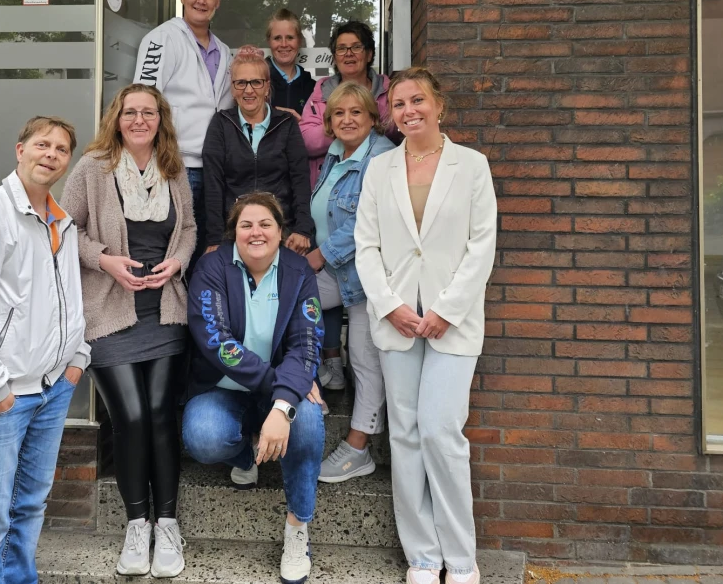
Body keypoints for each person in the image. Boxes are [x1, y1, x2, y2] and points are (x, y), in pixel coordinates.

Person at [354, 67, 497, 584]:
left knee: (440, 431)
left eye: (417, 100)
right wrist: (389, 305)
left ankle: (460, 559)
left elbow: (482, 246)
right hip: (397, 322)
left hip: (451, 324)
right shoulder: (379, 169)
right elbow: (366, 246)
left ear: (439, 105)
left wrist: (446, 309)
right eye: (398, 104)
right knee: (406, 435)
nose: (408, 111)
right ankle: (422, 556)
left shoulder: (472, 166)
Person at [0, 115, 90, 584]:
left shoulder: (62, 221)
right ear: (20, 150)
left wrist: (77, 356)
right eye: (43, 144)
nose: (51, 155)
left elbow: (68, 295)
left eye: (61, 149)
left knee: (28, 509)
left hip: (50, 391)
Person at [60, 84, 196, 578]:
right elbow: (64, 228)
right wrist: (105, 260)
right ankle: (137, 524)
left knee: (160, 414)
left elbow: (188, 229)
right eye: (130, 112)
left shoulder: (173, 168)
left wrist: (177, 263)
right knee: (132, 416)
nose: (139, 120)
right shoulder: (92, 168)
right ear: (117, 118)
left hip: (164, 311)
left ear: (161, 119)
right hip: (109, 312)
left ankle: (168, 524)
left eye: (148, 112)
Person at [181, 192, 326, 584]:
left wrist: (284, 403)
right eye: (246, 225)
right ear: (234, 232)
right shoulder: (211, 267)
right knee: (203, 436)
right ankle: (248, 456)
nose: (256, 232)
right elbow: (216, 341)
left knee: (307, 423)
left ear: (280, 232)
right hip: (225, 388)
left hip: (283, 387)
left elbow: (307, 342)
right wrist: (283, 385)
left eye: (265, 224)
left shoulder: (298, 270)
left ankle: (297, 528)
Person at [304, 82, 395, 481]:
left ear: (373, 118)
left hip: (367, 276)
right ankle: (307, 386)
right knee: (284, 301)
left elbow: (367, 220)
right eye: (338, 113)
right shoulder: (336, 153)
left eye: (356, 112)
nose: (347, 120)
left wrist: (320, 255)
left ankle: (359, 448)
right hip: (337, 272)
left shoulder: (382, 157)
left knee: (363, 356)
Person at [134, 0, 231, 268]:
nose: (202, 0)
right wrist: (148, 161)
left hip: (213, 168)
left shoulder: (224, 51)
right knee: (172, 250)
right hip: (174, 165)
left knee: (204, 250)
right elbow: (143, 100)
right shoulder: (162, 39)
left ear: (218, 2)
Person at [201, 46, 314, 255]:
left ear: (267, 86)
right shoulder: (221, 124)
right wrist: (215, 239)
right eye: (241, 83)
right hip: (234, 232)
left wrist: (303, 229)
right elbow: (213, 184)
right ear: (232, 88)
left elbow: (300, 179)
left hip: (281, 230)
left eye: (256, 82)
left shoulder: (286, 123)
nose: (248, 90)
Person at [299, 20, 394, 186]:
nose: (348, 54)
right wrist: (350, 126)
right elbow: (306, 140)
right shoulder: (321, 92)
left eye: (356, 47)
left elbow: (398, 130)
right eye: (341, 48)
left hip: (378, 181)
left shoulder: (389, 92)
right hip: (329, 183)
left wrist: (339, 127)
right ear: (335, 57)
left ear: (369, 54)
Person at [266, 8, 316, 120]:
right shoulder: (257, 81)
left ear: (299, 41)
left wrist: (301, 124)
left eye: (290, 37)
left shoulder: (313, 88)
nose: (284, 44)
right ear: (269, 41)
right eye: (277, 38)